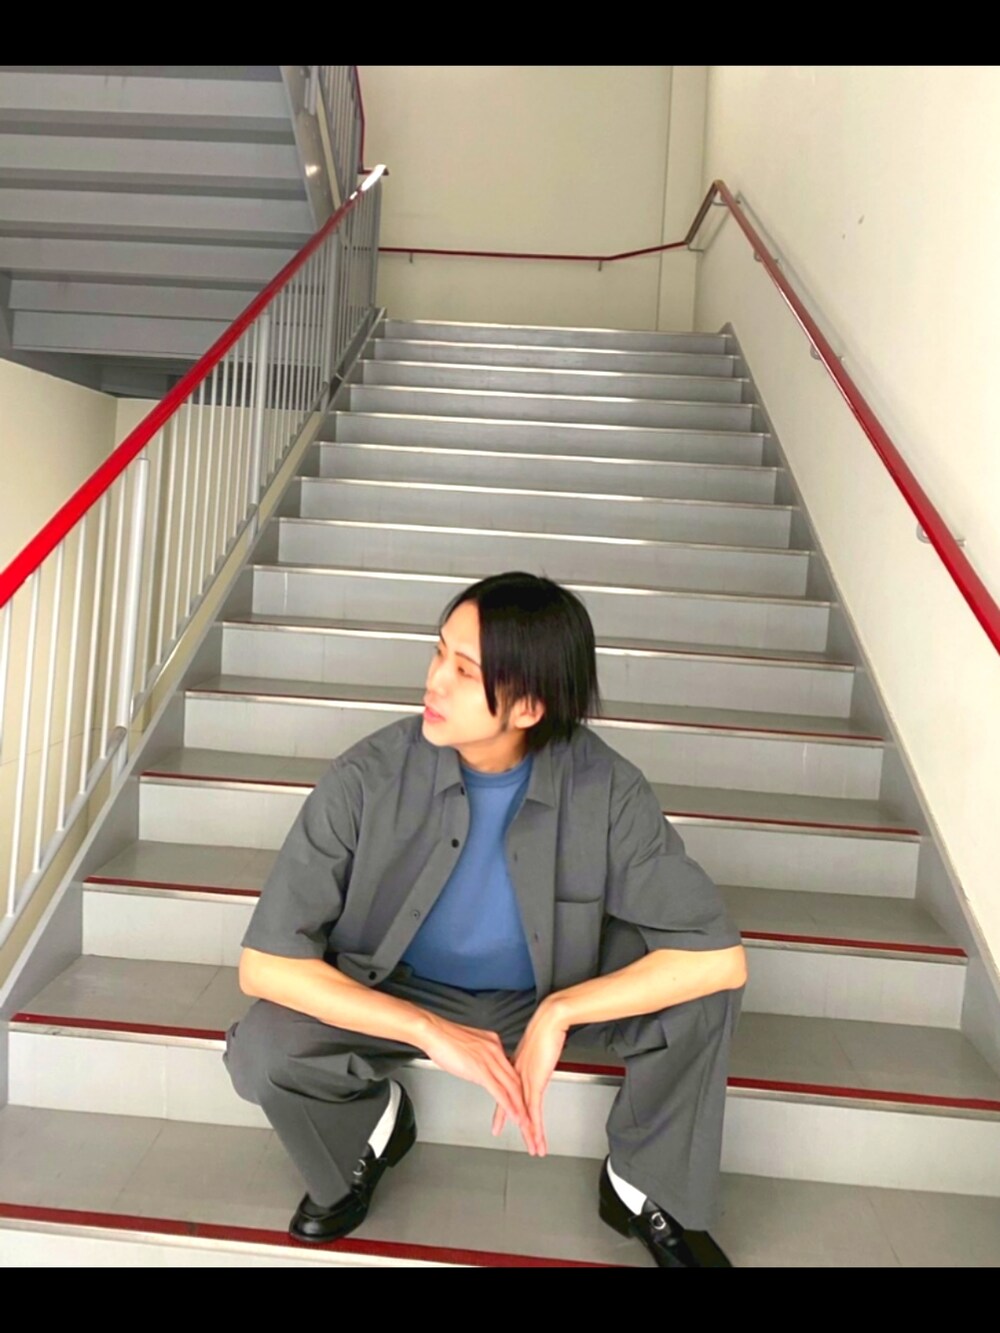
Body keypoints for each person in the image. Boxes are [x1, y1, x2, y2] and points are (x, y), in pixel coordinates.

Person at [225, 571, 747, 1267]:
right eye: (439, 652)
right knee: (263, 1048)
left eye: (465, 671)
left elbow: (719, 957)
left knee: (699, 996)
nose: (434, 680)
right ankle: (372, 1128)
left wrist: (560, 1011)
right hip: (397, 985)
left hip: (553, 983)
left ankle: (643, 1185)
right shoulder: (367, 775)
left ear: (528, 706)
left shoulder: (606, 787)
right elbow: (264, 965)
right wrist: (426, 1029)